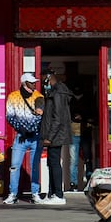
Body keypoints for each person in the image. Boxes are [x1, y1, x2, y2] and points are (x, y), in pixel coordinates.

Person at [3, 73, 44, 204]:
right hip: (20, 137)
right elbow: (10, 116)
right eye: (31, 82)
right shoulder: (13, 96)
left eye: (34, 82)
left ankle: (35, 193)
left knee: (34, 167)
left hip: (35, 137)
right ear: (24, 83)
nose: (34, 85)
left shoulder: (39, 96)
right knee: (14, 166)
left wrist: (30, 130)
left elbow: (40, 116)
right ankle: (13, 194)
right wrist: (21, 129)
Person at [40, 69, 73, 205]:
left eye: (43, 79)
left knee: (54, 163)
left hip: (55, 135)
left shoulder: (58, 93)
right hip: (55, 134)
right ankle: (52, 193)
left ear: (48, 78)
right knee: (51, 163)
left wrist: (49, 137)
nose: (42, 83)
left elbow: (57, 118)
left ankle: (58, 195)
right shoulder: (55, 91)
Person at [68, 84, 94, 191]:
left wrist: (83, 117)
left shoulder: (87, 100)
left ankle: (87, 182)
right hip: (75, 133)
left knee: (87, 159)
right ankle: (74, 183)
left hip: (84, 132)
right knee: (74, 160)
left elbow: (93, 115)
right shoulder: (69, 100)